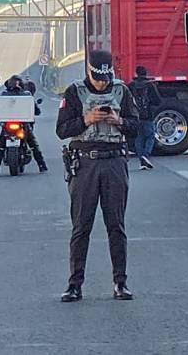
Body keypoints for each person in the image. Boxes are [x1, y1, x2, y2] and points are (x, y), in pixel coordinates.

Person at [56, 50, 139, 302]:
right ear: (88, 72)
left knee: (116, 226)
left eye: (105, 78)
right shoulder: (74, 92)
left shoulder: (122, 91)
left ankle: (120, 282)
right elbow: (62, 130)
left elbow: (137, 127)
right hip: (85, 164)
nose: (102, 83)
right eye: (97, 78)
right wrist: (86, 120)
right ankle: (75, 284)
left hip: (114, 161)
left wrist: (119, 121)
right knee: (82, 226)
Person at [0, 75, 48, 175]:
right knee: (33, 144)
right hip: (23, 124)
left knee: (0, 145)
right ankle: (41, 165)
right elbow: (36, 110)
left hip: (8, 124)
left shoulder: (4, 94)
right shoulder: (27, 94)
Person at [127, 66, 161, 170]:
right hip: (148, 115)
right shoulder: (149, 85)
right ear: (145, 74)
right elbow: (157, 101)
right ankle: (145, 155)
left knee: (139, 137)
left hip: (135, 115)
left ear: (136, 73)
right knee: (150, 136)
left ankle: (142, 160)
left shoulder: (131, 86)